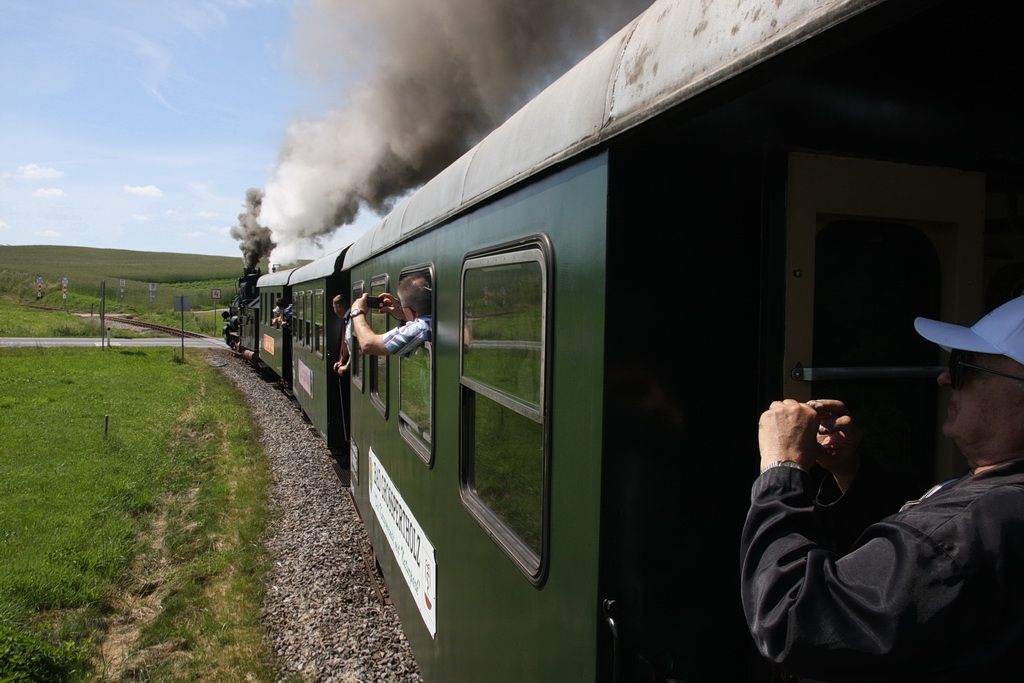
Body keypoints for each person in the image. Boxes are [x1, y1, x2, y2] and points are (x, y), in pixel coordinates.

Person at [742, 296, 1024, 682]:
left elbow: (794, 622)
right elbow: (910, 579)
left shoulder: (967, 527)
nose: (945, 378)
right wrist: (848, 472)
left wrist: (782, 471)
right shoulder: (994, 503)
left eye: (964, 368)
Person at [349, 273, 431, 357]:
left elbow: (368, 344)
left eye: (402, 307)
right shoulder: (432, 321)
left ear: (409, 311)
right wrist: (403, 312)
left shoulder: (421, 327)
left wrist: (357, 313)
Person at [332, 294, 351, 375]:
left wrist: (347, 364)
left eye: (334, 307)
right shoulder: (347, 318)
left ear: (338, 307)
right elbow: (346, 342)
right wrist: (341, 361)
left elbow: (357, 346)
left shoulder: (352, 319)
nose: (334, 310)